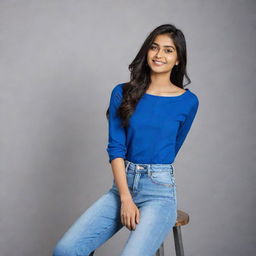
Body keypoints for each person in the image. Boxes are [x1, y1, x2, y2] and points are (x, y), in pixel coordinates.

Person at [52, 23, 199, 256]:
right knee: (65, 250)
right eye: (154, 47)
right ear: (147, 52)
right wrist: (125, 197)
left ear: (179, 59)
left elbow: (172, 148)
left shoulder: (188, 102)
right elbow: (116, 148)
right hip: (122, 186)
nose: (159, 55)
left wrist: (151, 175)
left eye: (168, 50)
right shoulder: (122, 92)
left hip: (159, 192)